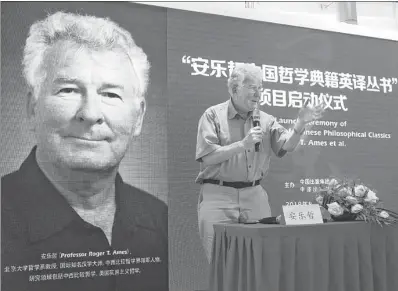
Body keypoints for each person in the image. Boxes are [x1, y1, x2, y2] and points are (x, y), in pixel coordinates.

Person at [1, 12, 168, 291]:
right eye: (68, 90)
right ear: (33, 108)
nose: (90, 114)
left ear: (138, 118)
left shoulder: (161, 220)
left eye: (111, 94)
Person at [195, 63, 325, 262]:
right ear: (234, 88)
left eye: (261, 87)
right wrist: (243, 144)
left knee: (260, 261)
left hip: (254, 196)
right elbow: (208, 157)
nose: (258, 93)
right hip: (218, 196)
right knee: (220, 262)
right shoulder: (212, 115)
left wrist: (300, 124)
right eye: (253, 87)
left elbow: (286, 146)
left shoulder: (265, 120)